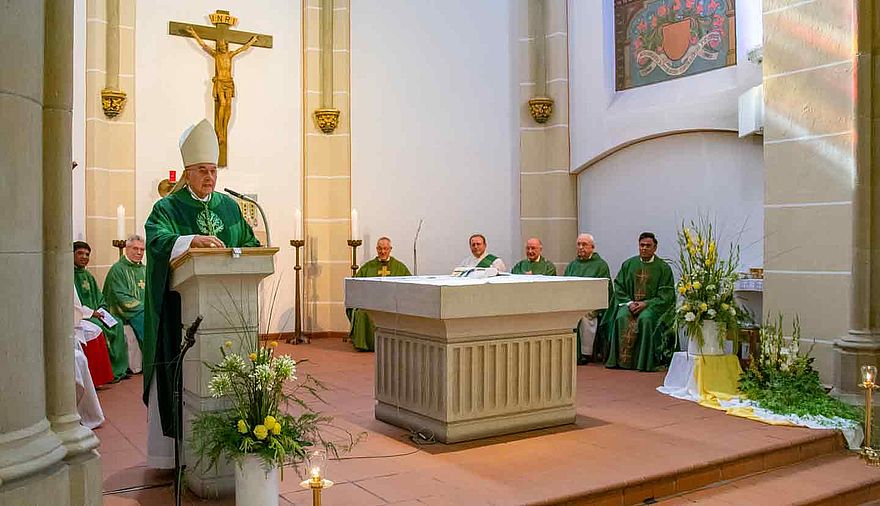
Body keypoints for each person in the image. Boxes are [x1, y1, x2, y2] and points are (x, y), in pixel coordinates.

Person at [143, 119, 260, 468]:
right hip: (180, 313)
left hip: (225, 310)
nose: (210, 177)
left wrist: (254, 250)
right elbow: (156, 239)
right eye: (202, 171)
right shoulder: (167, 207)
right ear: (188, 172)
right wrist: (190, 241)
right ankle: (176, 456)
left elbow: (248, 243)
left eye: (213, 170)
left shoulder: (228, 206)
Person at [605, 232, 675, 372]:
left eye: (648, 246)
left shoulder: (663, 268)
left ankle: (643, 363)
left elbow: (666, 296)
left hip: (652, 307)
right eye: (641, 245)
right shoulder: (629, 264)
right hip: (629, 303)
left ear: (655, 248)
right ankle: (621, 362)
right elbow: (619, 287)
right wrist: (630, 302)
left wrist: (646, 304)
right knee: (621, 317)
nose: (644, 248)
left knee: (646, 319)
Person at [74, 241, 129, 382]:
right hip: (82, 316)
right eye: (80, 253)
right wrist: (92, 313)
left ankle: (119, 370)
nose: (84, 257)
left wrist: (101, 309)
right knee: (98, 328)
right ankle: (108, 372)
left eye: (87, 254)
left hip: (96, 313)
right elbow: (73, 304)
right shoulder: (69, 276)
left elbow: (99, 297)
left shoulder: (88, 275)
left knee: (117, 325)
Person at [348, 237, 412, 351]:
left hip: (392, 304)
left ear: (390, 249)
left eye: (385, 249)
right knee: (360, 313)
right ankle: (365, 344)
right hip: (371, 304)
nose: (383, 252)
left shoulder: (399, 267)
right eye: (380, 249)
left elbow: (409, 286)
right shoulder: (368, 267)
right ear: (376, 249)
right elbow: (356, 286)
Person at [563, 234, 613, 364]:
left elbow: (604, 290)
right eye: (579, 244)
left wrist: (593, 306)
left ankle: (585, 353)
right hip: (572, 304)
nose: (580, 247)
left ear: (592, 247)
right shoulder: (572, 265)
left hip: (592, 306)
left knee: (583, 317)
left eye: (584, 245)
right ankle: (566, 353)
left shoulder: (601, 265)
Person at [103, 234, 147, 374]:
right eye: (135, 248)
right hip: (124, 313)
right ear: (127, 249)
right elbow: (119, 296)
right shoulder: (117, 270)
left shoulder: (145, 270)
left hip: (142, 310)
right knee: (146, 319)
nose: (139, 252)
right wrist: (143, 308)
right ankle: (151, 360)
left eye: (142, 249)